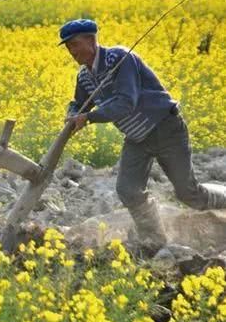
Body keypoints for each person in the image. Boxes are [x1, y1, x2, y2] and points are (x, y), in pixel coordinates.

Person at [61, 18, 226, 252]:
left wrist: (88, 118)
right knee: (127, 189)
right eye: (68, 47)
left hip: (165, 128)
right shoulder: (84, 76)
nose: (72, 51)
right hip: (138, 137)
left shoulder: (119, 59)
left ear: (91, 39)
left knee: (189, 193)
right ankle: (155, 239)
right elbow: (79, 103)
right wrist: (73, 115)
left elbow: (127, 103)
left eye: (75, 44)